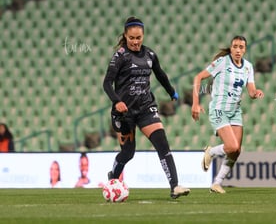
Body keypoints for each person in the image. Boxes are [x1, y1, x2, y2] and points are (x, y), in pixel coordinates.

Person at [103, 16, 190, 199]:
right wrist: (117, 101)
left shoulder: (150, 55)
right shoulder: (120, 56)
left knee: (162, 142)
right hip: (124, 113)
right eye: (132, 38)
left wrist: (172, 92)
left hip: (145, 108)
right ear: (125, 36)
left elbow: (160, 75)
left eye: (139, 38)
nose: (135, 42)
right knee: (128, 153)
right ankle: (113, 177)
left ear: (143, 36)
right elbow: (106, 84)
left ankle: (175, 186)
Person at [191, 35, 264, 193]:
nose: (238, 50)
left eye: (241, 47)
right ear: (231, 48)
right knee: (231, 146)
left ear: (245, 50)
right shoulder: (222, 62)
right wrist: (195, 103)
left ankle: (217, 183)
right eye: (235, 46)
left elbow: (250, 91)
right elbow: (198, 77)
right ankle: (210, 152)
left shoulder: (248, 67)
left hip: (235, 111)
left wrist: (256, 92)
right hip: (219, 109)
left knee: (236, 150)